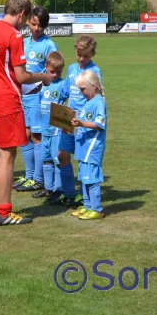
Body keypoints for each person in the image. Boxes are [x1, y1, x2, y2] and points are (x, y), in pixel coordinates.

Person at [0, 0, 51, 226]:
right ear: (20, 14)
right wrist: (43, 77)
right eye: (25, 18)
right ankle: (4, 213)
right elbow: (22, 76)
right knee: (7, 156)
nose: (24, 23)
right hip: (7, 101)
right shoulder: (13, 35)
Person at [49, 35, 104, 207]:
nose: (81, 59)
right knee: (62, 155)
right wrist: (58, 112)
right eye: (79, 55)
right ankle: (69, 193)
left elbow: (97, 97)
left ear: (92, 54)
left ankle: (83, 195)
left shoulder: (94, 71)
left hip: (83, 122)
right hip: (69, 119)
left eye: (85, 56)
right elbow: (66, 91)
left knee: (82, 159)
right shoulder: (72, 69)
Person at [13, 6, 58, 192]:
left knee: (37, 136)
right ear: (29, 21)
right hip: (22, 96)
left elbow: (54, 70)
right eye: (33, 24)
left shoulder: (49, 45)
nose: (36, 28)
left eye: (40, 25)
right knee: (24, 136)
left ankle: (38, 179)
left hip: (39, 97)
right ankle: (29, 175)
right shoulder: (23, 42)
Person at [70, 70, 107, 219]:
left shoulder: (99, 103)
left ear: (94, 86)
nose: (81, 92)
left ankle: (97, 209)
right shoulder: (89, 102)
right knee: (84, 178)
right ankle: (87, 206)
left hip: (92, 148)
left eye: (83, 89)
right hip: (83, 147)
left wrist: (82, 123)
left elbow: (99, 124)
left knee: (91, 179)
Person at [31, 51, 67, 199]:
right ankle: (48, 188)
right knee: (46, 159)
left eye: (58, 71)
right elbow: (38, 103)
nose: (55, 75)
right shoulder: (42, 84)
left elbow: (68, 103)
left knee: (57, 159)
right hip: (44, 128)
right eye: (52, 71)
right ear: (45, 67)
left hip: (57, 130)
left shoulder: (63, 85)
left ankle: (58, 190)